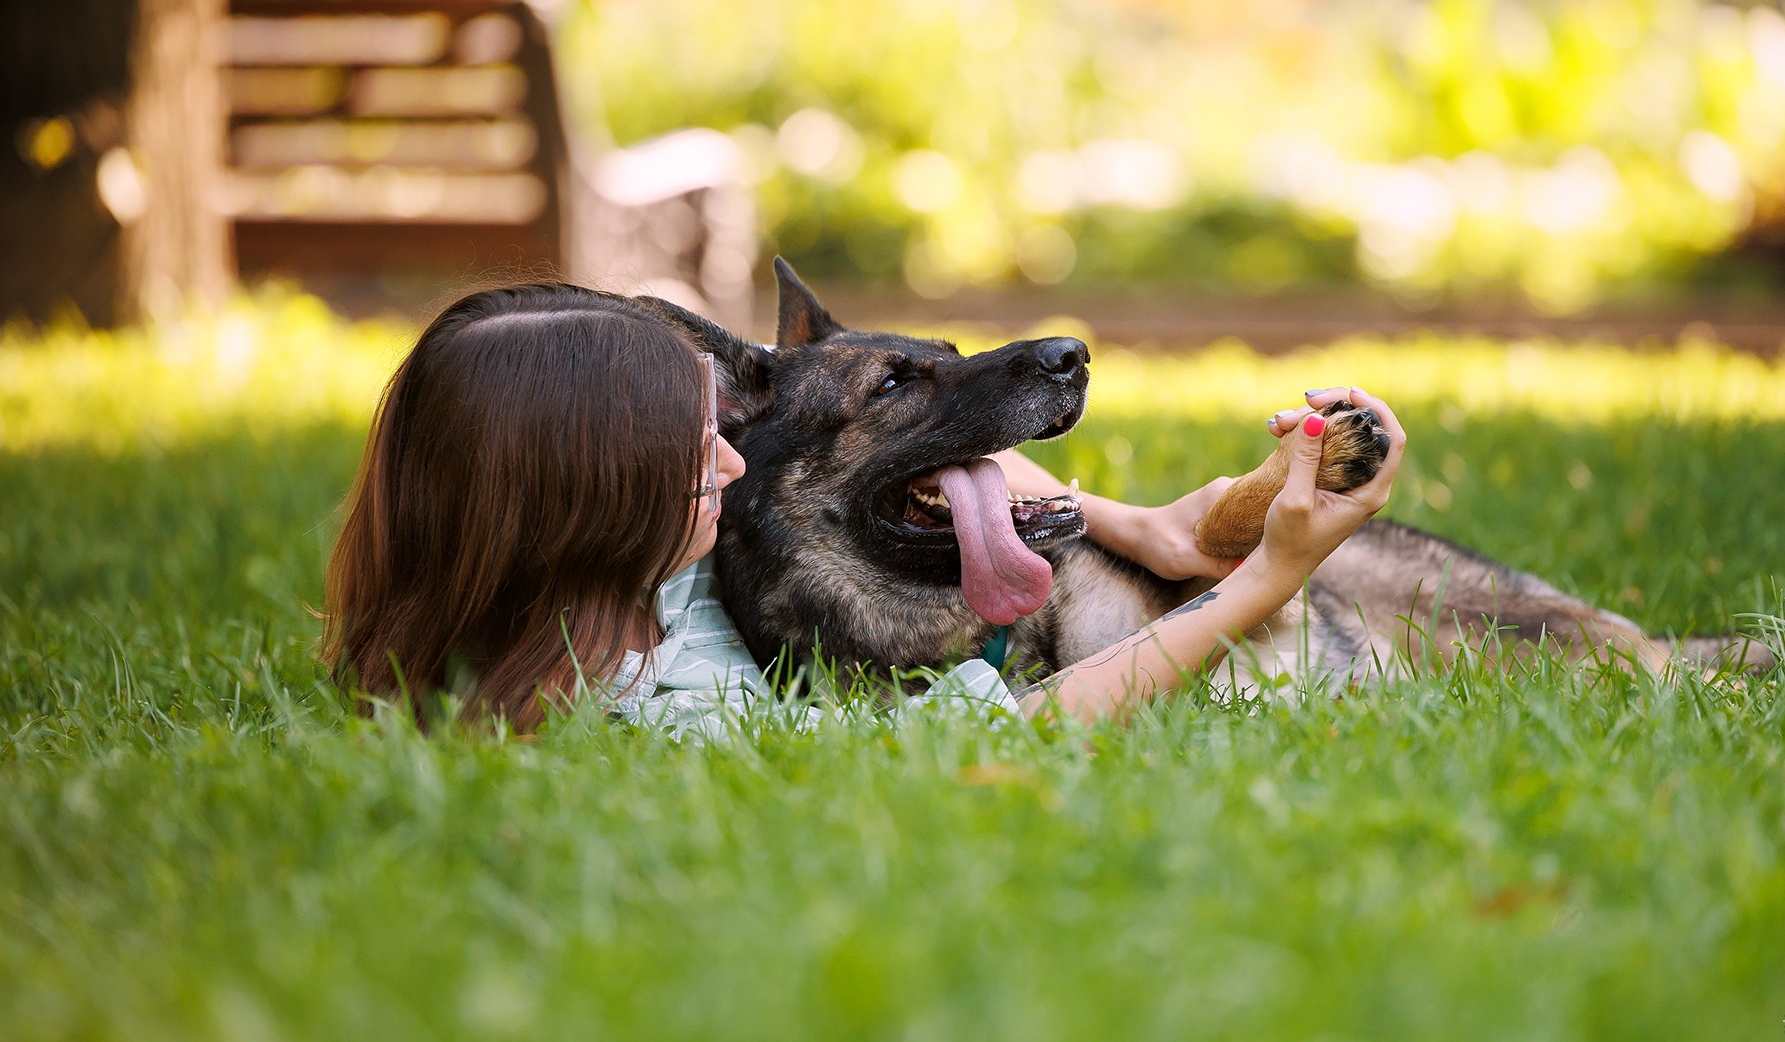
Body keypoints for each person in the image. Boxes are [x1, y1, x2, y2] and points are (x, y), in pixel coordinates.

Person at [321, 284, 1404, 735]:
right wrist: (1270, 572)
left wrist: (1140, 525)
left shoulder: (637, 552)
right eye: (694, 454)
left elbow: (866, 434)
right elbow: (1017, 732)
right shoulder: (669, 703)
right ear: (580, 508)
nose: (732, 463)